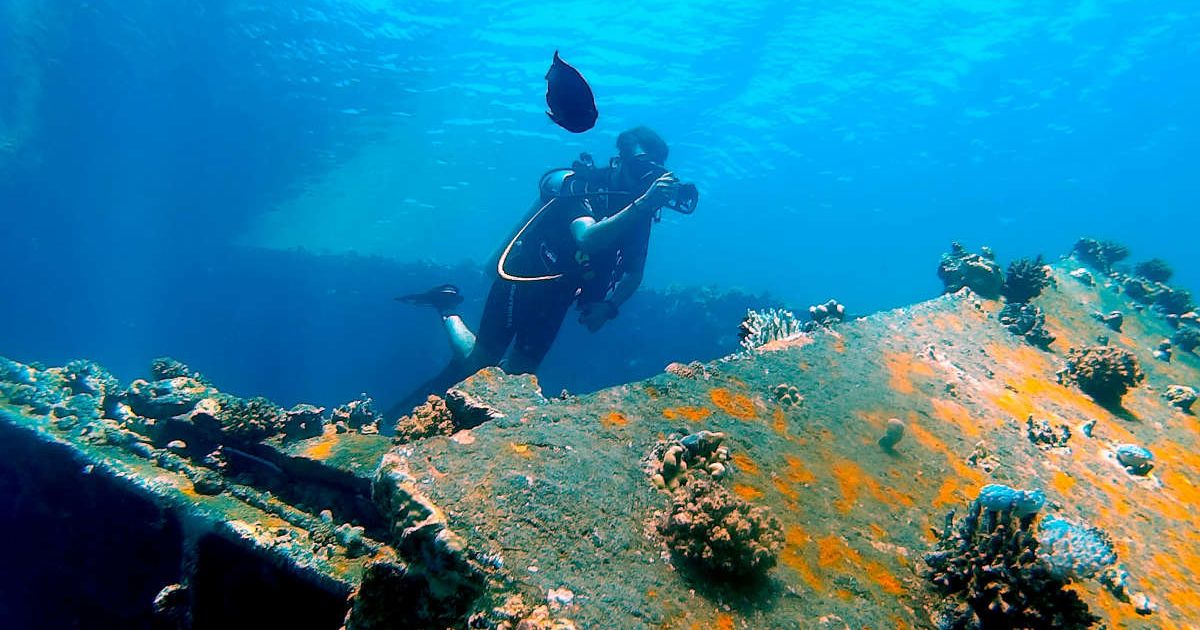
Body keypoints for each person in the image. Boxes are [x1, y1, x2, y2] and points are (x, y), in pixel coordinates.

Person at [388, 126, 685, 418]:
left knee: (520, 376)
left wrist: (608, 307)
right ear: (618, 160)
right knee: (483, 361)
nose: (642, 176)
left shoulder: (640, 212)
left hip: (560, 294)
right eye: (639, 165)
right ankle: (446, 307)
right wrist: (643, 203)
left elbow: (634, 273)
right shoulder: (582, 187)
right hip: (524, 276)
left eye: (651, 169)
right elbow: (586, 237)